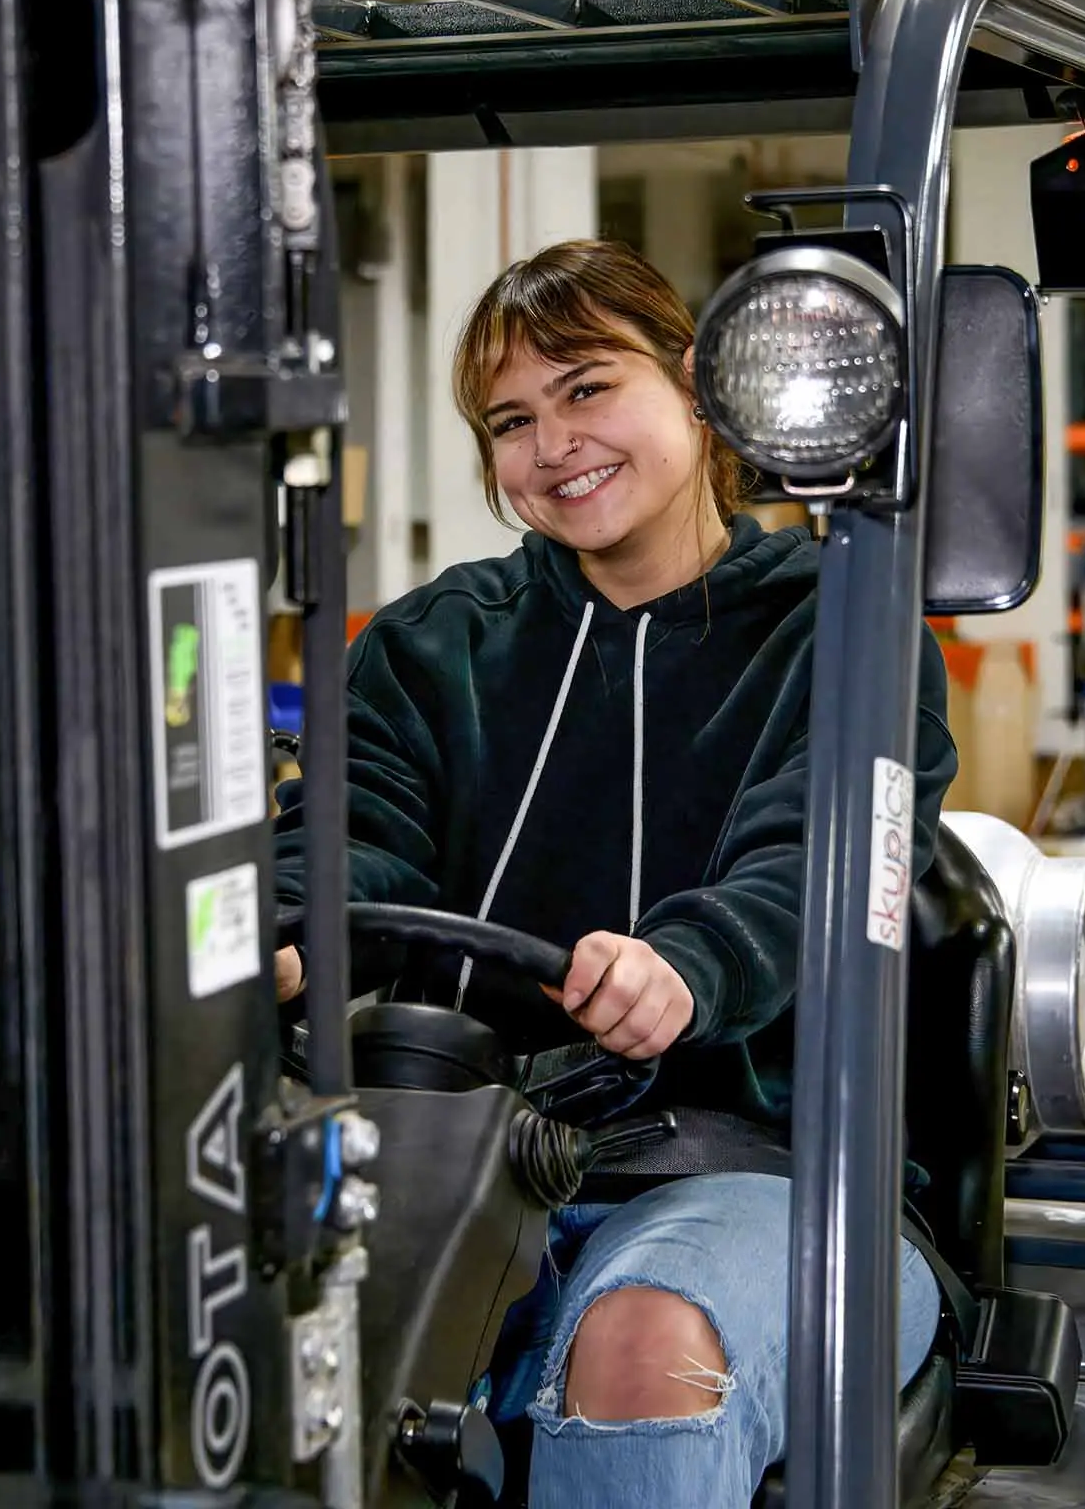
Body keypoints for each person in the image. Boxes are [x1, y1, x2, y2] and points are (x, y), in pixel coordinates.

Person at [273, 238, 956, 1508]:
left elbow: (809, 860)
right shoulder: (432, 647)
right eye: (510, 421)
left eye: (586, 387)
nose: (552, 445)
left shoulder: (840, 628)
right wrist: (275, 937)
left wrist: (687, 968)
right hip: (453, 1160)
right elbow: (346, 841)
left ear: (696, 385)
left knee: (643, 1344)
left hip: (759, 1175)